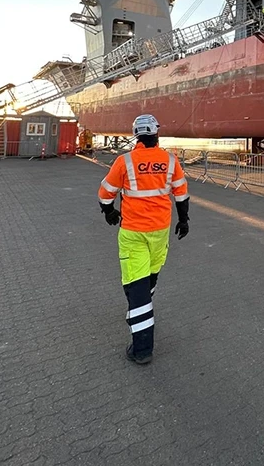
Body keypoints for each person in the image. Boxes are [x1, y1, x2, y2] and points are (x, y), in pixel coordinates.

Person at [97, 114, 190, 364]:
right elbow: (181, 194)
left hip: (133, 232)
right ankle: (141, 308)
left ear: (136, 134)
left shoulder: (124, 161)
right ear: (156, 134)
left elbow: (105, 194)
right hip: (160, 231)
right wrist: (184, 220)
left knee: (135, 285)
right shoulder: (170, 160)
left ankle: (142, 348)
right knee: (150, 275)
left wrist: (109, 212)